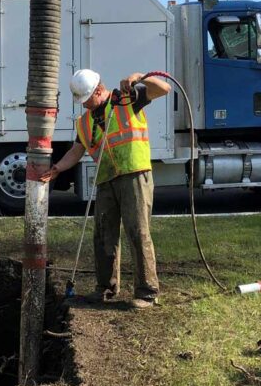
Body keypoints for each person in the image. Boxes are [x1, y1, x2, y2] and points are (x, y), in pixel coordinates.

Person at [41, 68, 171, 308]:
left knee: (137, 231)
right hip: (105, 179)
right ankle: (105, 288)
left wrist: (139, 77)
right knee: (103, 234)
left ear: (99, 90)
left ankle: (146, 292)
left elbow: (164, 88)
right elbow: (76, 151)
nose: (84, 105)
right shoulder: (85, 121)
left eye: (87, 99)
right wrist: (58, 168)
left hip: (134, 173)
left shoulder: (126, 99)